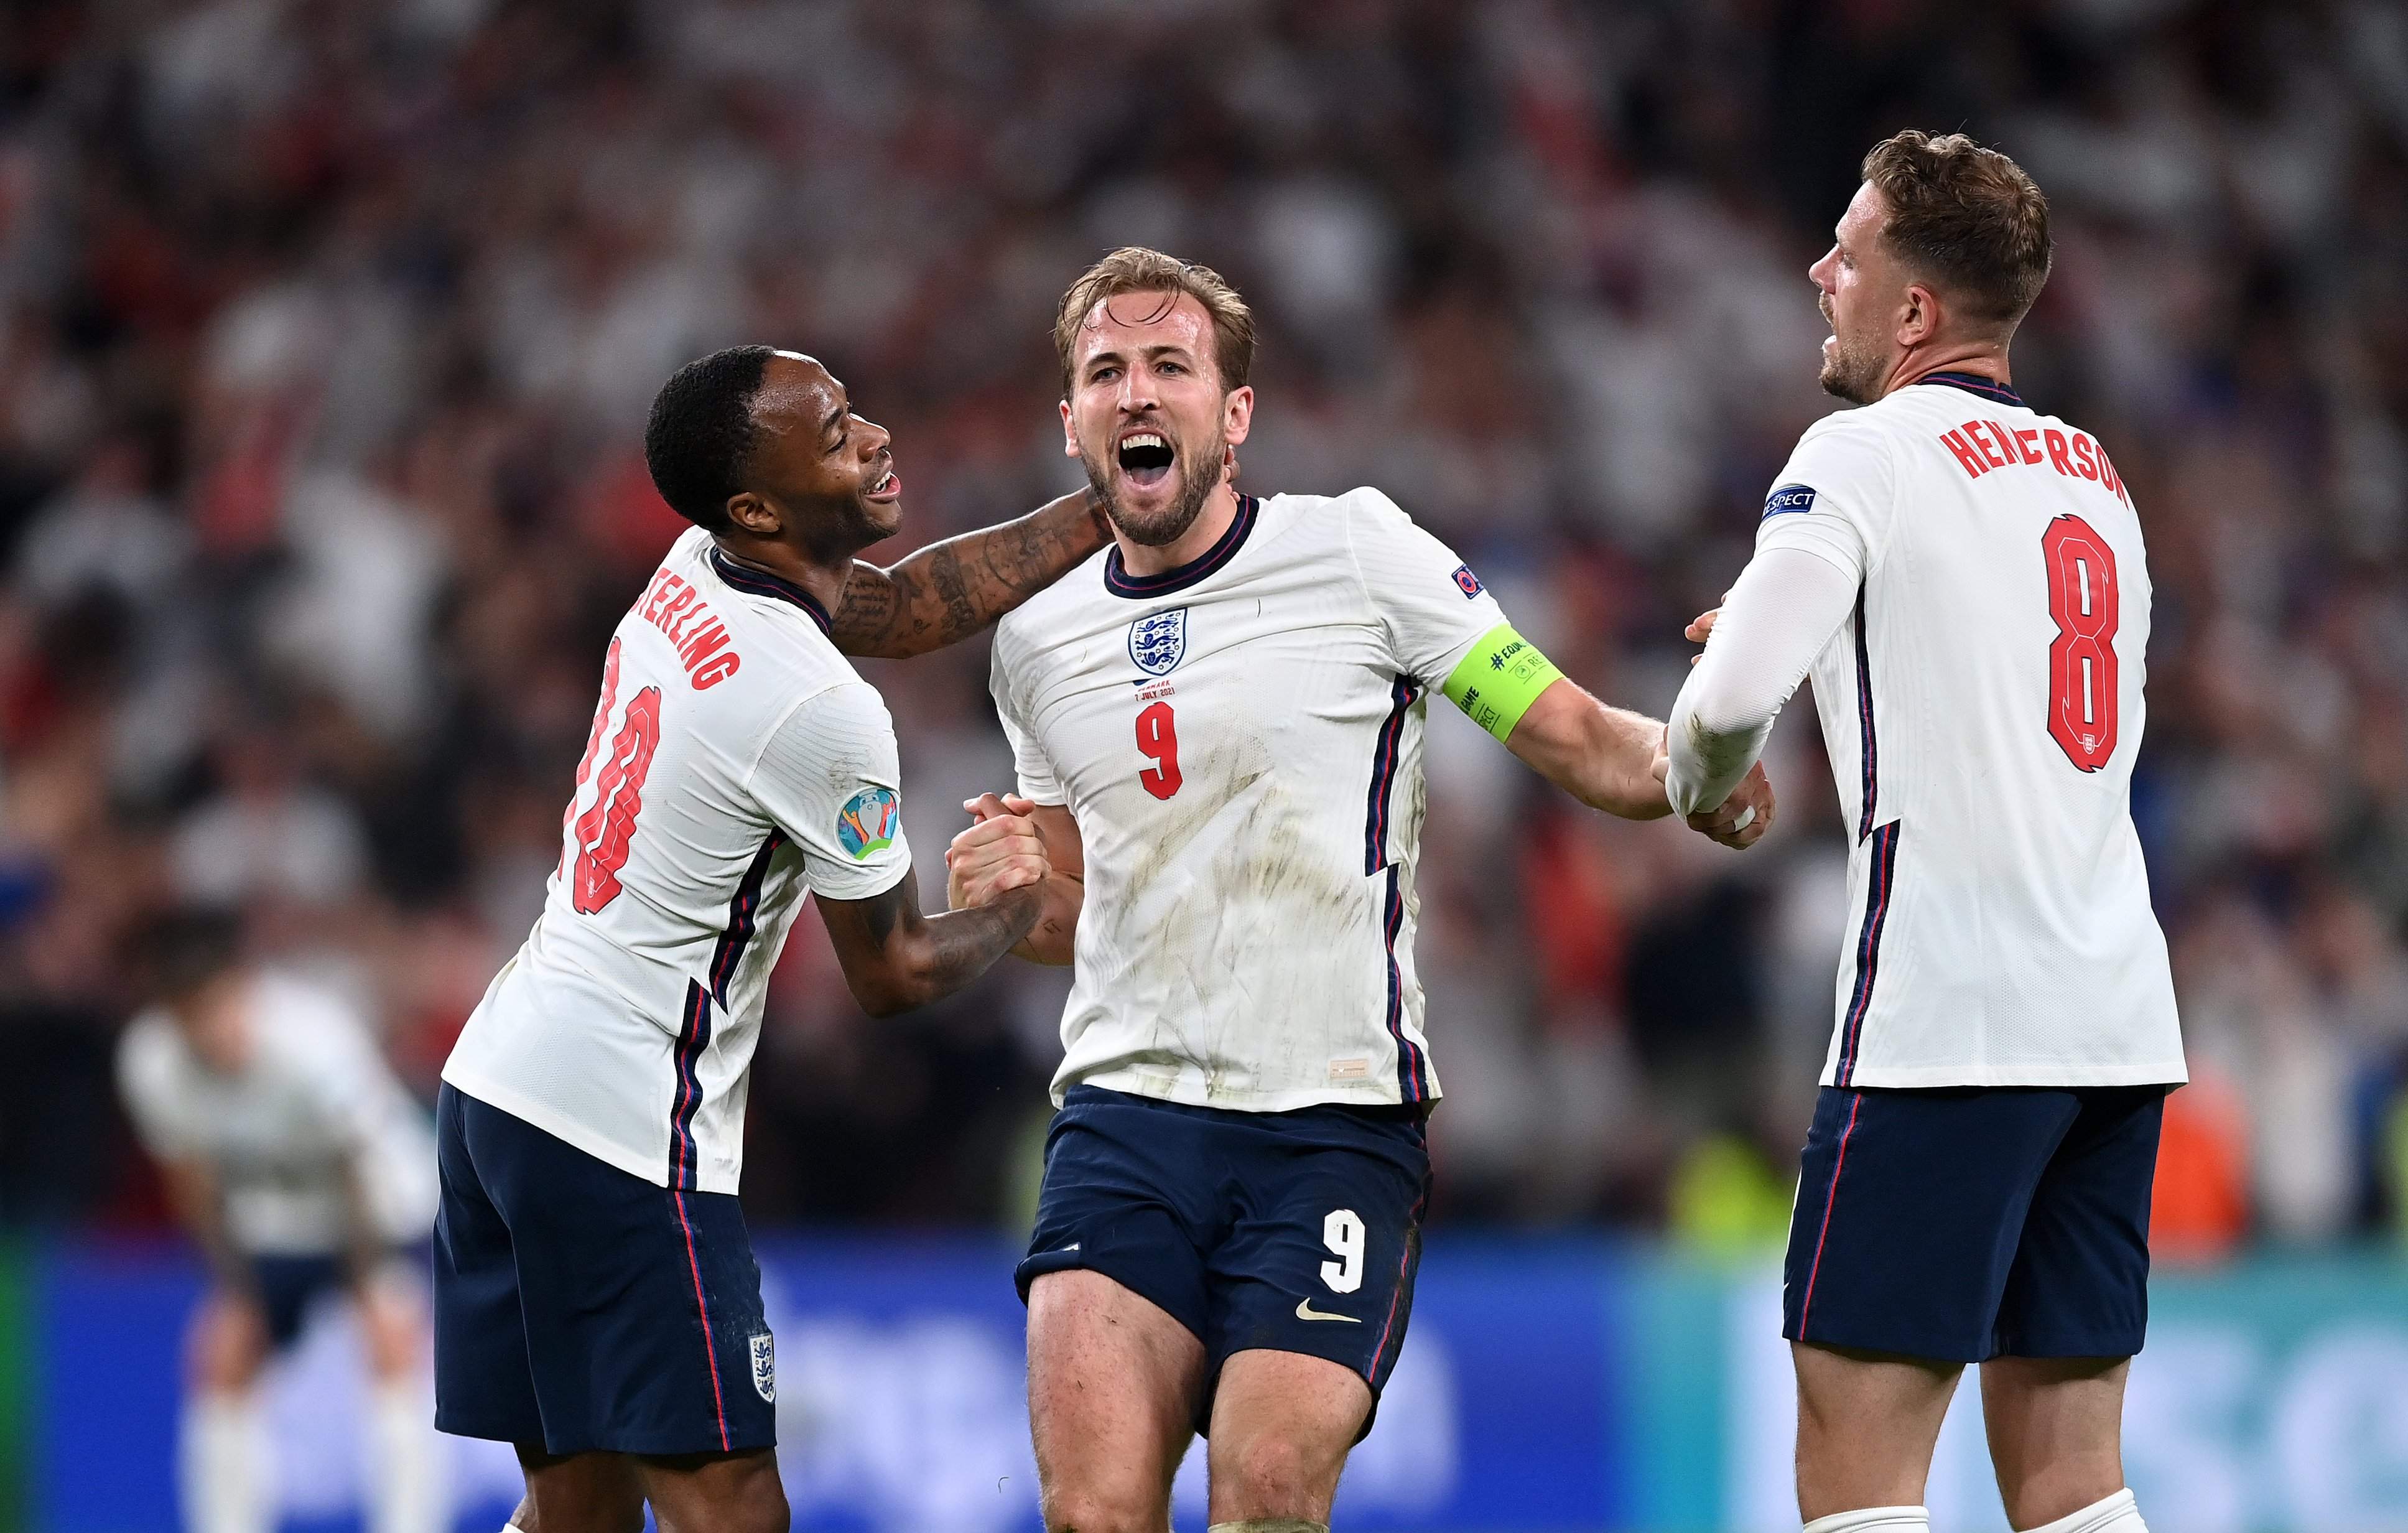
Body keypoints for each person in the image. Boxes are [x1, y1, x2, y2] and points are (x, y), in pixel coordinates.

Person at [941, 247, 1774, 1533]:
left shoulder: (1360, 553)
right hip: (1127, 1120)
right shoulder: (1036, 642)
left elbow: (1577, 738)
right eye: (1107, 371)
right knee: (1094, 1510)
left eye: (1172, 365)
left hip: (1331, 1124)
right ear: (1073, 423)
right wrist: (1008, 898)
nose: (1139, 393)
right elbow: (1077, 912)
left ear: (1235, 413)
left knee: (1271, 1489)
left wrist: (1695, 758)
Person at [434, 345, 1099, 1533]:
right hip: (622, 1128)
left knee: (573, 1510)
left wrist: (1096, 514)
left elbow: (891, 608)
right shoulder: (819, 709)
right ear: (756, 505)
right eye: (837, 429)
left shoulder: (695, 563)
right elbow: (891, 974)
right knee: (733, 1507)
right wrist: (1021, 893)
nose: (877, 433)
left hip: (498, 1092)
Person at [1662, 131, 2182, 1533]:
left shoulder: (1863, 450)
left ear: (1912, 312)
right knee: (2077, 1481)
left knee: (1856, 1467)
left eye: (1848, 248)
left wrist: (1698, 772)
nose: (1817, 270)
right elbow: (1994, 683)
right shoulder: (2093, 478)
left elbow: (1726, 704)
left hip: (1946, 1022)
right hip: (2112, 1022)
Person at [118, 906, 446, 1533]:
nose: (216, 1033)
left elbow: (357, 1169)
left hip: (377, 1204)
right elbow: (191, 1182)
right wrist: (238, 1287)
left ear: (244, 991)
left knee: (391, 1344)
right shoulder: (151, 1061)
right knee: (221, 1350)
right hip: (269, 1214)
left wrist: (368, 1280)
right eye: (195, 1018)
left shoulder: (313, 1039)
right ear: (174, 1017)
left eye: (222, 1008)